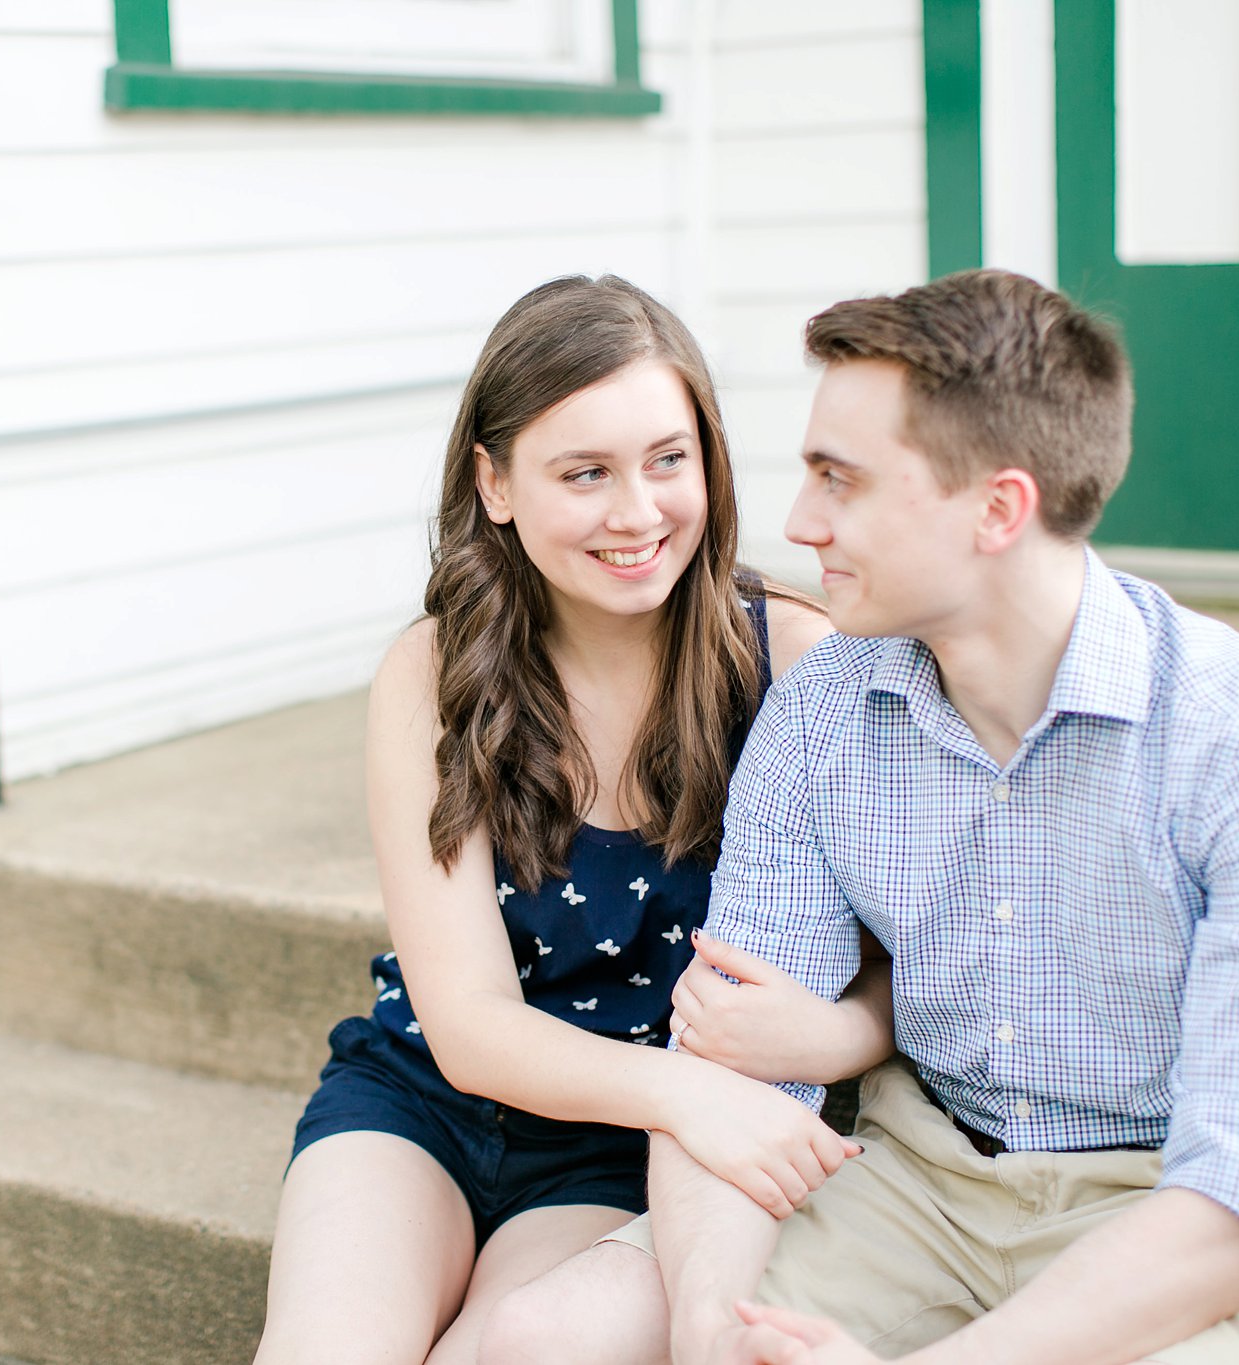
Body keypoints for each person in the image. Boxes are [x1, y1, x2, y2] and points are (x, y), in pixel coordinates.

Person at [476, 268, 1239, 1365]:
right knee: (543, 1340)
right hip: (913, 1188)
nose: (796, 520)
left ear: (997, 509)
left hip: (1180, 1213)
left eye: (839, 480)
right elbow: (733, 1068)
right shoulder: (818, 710)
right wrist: (711, 1330)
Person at [252, 275, 899, 1365]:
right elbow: (467, 1028)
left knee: (506, 1350)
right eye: (584, 473)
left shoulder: (794, 664)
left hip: (625, 1145)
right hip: (423, 1102)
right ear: (494, 483)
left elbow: (912, 956)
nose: (637, 512)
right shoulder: (433, 674)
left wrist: (817, 1047)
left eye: (666, 460)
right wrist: (694, 1095)